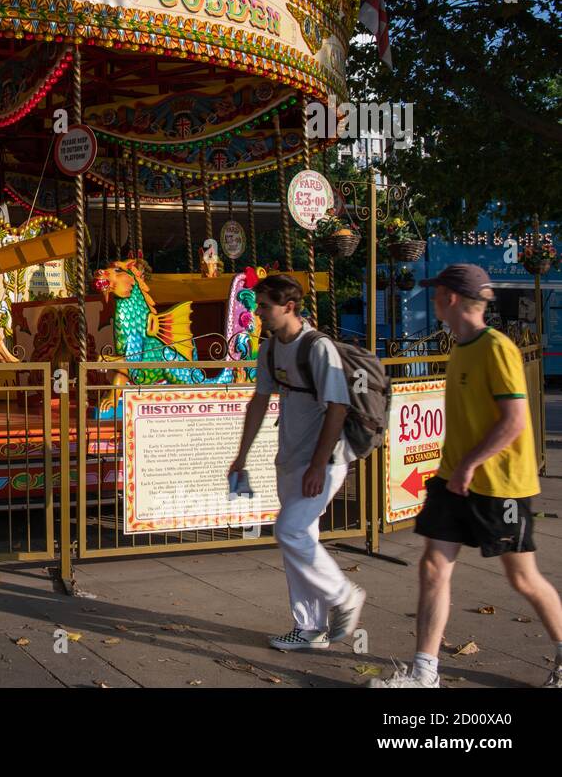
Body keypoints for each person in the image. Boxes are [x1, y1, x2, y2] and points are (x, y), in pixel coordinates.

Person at [371, 264, 562, 688]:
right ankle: (424, 674)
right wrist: (458, 468)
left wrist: (471, 464)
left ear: (451, 298)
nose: (433, 298)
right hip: (454, 479)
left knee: (523, 578)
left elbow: (514, 421)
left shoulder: (497, 348)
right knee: (433, 567)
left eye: (436, 292)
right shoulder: (461, 345)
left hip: (500, 485)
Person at [230, 274, 367, 651]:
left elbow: (337, 408)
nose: (259, 314)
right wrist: (241, 456)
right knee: (299, 540)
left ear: (289, 306)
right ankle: (309, 627)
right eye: (257, 307)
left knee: (289, 530)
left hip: (325, 458)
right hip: (290, 457)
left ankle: (343, 595)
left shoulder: (318, 347)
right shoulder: (271, 349)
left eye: (265, 307)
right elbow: (259, 402)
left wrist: (318, 466)